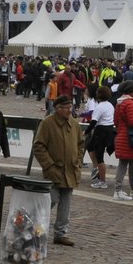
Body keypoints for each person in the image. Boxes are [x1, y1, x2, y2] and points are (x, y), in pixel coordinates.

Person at [31, 93, 82, 246]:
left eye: (70, 107)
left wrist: (78, 161)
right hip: (54, 170)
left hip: (71, 171)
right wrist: (49, 165)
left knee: (65, 205)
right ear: (58, 109)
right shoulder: (48, 123)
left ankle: (61, 233)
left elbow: (81, 144)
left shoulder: (74, 124)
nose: (69, 110)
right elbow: (38, 146)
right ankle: (35, 229)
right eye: (66, 107)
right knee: (50, 200)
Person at [112, 80, 133, 200]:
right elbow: (132, 122)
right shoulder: (129, 103)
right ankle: (125, 190)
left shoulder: (119, 103)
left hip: (122, 136)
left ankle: (125, 189)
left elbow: (116, 121)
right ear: (131, 91)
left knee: (125, 164)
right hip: (129, 138)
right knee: (130, 165)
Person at [85, 86, 115, 190]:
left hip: (101, 130)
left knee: (99, 156)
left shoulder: (100, 107)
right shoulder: (110, 105)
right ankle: (96, 167)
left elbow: (94, 122)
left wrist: (86, 131)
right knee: (90, 147)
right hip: (109, 129)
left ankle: (102, 180)